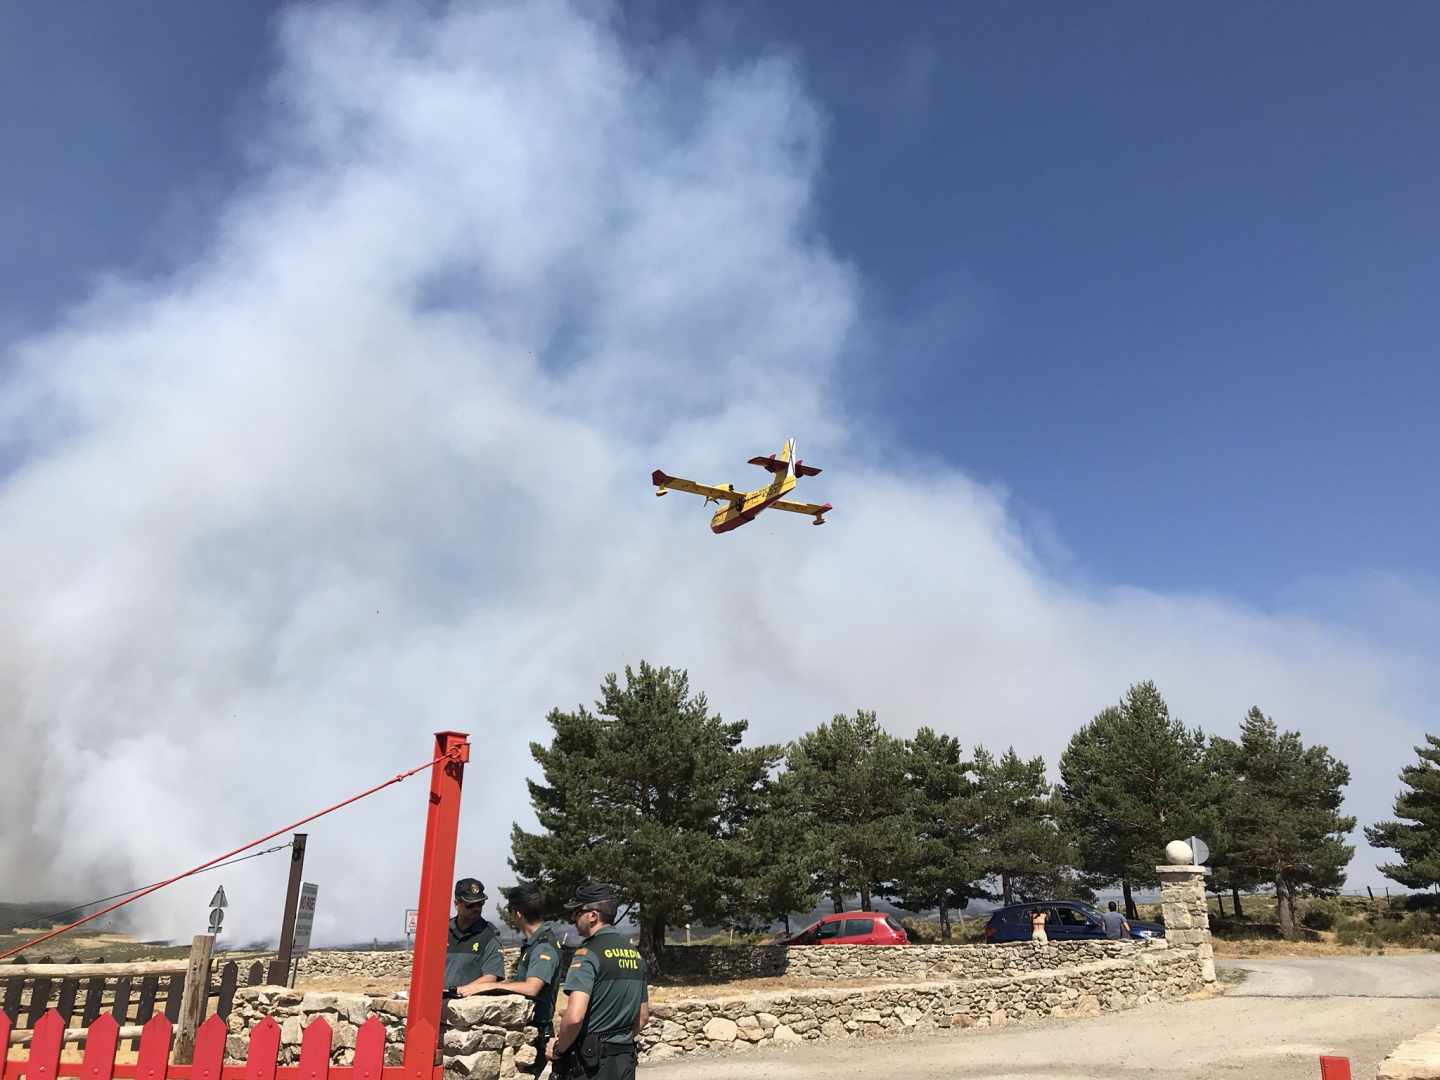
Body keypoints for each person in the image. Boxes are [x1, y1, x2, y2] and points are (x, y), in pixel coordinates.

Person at [459, 884, 569, 1075]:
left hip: (536, 1032)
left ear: (517, 913)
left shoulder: (543, 946)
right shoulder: (534, 943)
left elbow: (532, 987)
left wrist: (489, 986)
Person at [547, 883, 648, 1080]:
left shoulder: (587, 953)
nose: (573, 918)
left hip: (591, 1064)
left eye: (577, 912)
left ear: (593, 915)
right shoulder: (635, 955)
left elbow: (575, 1016)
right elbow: (642, 1017)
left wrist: (559, 1049)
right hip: (624, 1060)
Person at [444, 878, 506, 993]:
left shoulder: (489, 935)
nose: (476, 908)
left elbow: (491, 977)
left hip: (469, 1004)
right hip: (436, 1002)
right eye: (470, 905)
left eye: (480, 903)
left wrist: (458, 992)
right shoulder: (442, 932)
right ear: (456, 903)